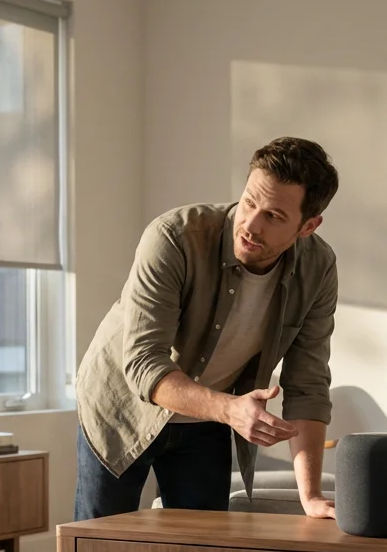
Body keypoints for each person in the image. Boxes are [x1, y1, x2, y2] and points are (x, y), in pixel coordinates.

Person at [74, 136, 340, 521]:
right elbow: (144, 364)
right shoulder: (174, 237)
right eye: (249, 201)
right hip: (120, 407)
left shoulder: (318, 268)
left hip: (207, 418)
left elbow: (309, 384)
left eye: (274, 216)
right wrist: (231, 410)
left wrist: (311, 496)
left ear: (308, 226)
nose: (250, 224)